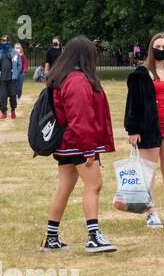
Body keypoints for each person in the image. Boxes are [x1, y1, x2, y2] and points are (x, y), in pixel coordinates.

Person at [40, 36, 117, 254]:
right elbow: (81, 118)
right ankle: (93, 236)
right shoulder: (78, 81)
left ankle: (51, 237)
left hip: (66, 143)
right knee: (94, 185)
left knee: (64, 187)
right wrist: (89, 148)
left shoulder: (64, 78)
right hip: (78, 143)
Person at [124, 32, 164, 229]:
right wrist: (132, 129)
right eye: (158, 46)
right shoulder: (140, 74)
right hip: (148, 129)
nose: (161, 50)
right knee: (148, 172)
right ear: (151, 48)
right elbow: (132, 104)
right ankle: (150, 213)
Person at [0, 35, 21, 121]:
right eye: (2, 41)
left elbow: (19, 64)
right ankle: (4, 113)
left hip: (12, 79)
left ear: (8, 41)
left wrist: (16, 73)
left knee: (12, 95)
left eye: (4, 41)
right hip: (2, 79)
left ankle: (13, 110)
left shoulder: (14, 53)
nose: (3, 42)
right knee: (2, 96)